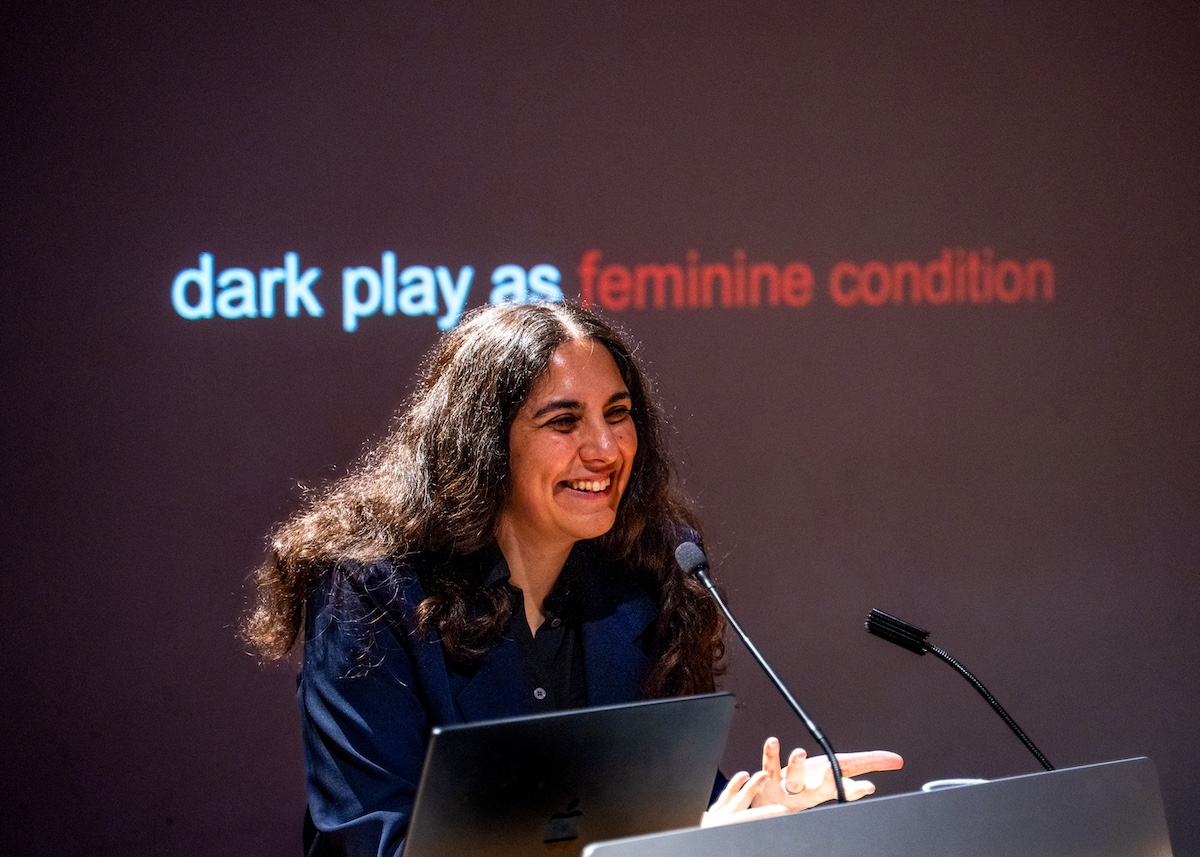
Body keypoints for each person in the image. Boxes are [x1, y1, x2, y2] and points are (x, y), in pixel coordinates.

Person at [244, 301, 901, 856]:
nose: (607, 449)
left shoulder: (653, 569)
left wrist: (757, 807)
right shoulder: (369, 590)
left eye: (618, 413)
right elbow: (373, 844)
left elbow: (659, 809)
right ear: (484, 441)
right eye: (564, 422)